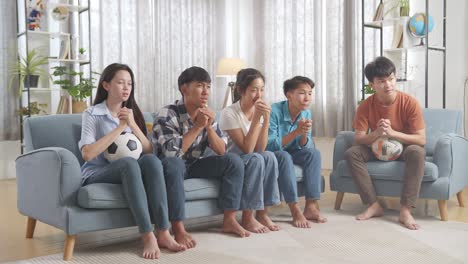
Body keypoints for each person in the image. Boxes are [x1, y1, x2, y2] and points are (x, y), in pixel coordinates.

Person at [78, 63, 185, 259]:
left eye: (129, 83)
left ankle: (163, 231)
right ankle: (147, 235)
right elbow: (87, 154)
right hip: (97, 172)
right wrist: (120, 128)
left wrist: (132, 123)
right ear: (106, 86)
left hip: (129, 168)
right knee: (129, 163)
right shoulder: (92, 114)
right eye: (120, 82)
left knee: (152, 161)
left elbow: (148, 149)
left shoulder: (133, 113)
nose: (126, 87)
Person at [153, 66, 249, 248]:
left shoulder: (208, 114)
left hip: (195, 164)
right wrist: (197, 127)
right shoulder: (167, 113)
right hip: (169, 166)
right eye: (199, 86)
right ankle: (178, 228)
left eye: (208, 86)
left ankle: (229, 219)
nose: (206, 91)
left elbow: (222, 151)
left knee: (234, 161)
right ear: (184, 89)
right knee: (174, 164)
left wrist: (209, 127)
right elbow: (171, 153)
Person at [344, 56, 425, 230]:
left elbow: (421, 139)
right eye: (381, 81)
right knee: (352, 153)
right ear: (371, 85)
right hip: (376, 147)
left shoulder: (410, 103)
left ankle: (405, 210)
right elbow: (358, 139)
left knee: (417, 152)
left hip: (403, 148)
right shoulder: (365, 106)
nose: (388, 84)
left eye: (391, 79)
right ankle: (373, 205)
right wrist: (377, 133)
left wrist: (393, 133)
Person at [219, 68, 281, 233]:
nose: (259, 95)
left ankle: (262, 213)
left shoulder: (258, 110)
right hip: (233, 161)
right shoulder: (229, 113)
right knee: (256, 159)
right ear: (241, 90)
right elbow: (247, 149)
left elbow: (261, 148)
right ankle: (247, 218)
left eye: (261, 89)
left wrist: (266, 119)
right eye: (253, 90)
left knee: (269, 156)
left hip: (251, 157)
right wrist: (256, 119)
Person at [267, 76, 327, 228]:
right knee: (285, 156)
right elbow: (272, 145)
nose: (307, 97)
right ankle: (295, 209)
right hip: (275, 153)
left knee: (314, 153)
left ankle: (311, 206)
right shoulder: (274, 111)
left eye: (310, 93)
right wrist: (296, 132)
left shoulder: (306, 113)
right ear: (289, 95)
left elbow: (304, 146)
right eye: (302, 93)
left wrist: (304, 133)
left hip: (294, 151)